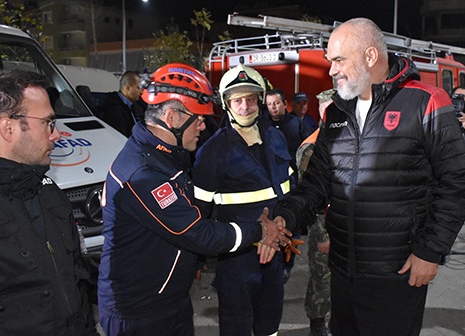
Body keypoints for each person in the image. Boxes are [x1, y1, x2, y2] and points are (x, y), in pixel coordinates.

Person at [272, 18, 465, 335]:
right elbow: (318, 182)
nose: (331, 70)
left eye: (339, 60)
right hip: (342, 270)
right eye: (329, 61)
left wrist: (429, 251)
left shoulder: (426, 102)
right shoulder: (336, 112)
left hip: (396, 273)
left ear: (369, 56)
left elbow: (457, 186)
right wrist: (285, 214)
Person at [97, 64, 289, 336]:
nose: (203, 125)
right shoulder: (144, 174)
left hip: (168, 299)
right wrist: (261, 230)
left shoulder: (164, 159)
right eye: (199, 117)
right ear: (173, 117)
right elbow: (200, 234)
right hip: (140, 310)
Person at [0, 69, 97, 335]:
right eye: (48, 123)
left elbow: (77, 284)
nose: (56, 135)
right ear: (7, 127)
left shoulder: (46, 189)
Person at [192, 64, 296, 336]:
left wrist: (286, 228)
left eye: (251, 99)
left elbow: (289, 189)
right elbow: (198, 213)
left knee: (269, 322)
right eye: (238, 100)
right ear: (227, 104)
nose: (246, 106)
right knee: (237, 325)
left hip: (275, 250)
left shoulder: (277, 138)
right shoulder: (212, 152)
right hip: (237, 258)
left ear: (260, 100)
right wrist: (197, 259)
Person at [265, 88, 312, 283]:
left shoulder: (296, 125)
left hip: (291, 186)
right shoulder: (263, 126)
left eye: (276, 103)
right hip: (269, 186)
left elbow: (308, 150)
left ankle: (287, 264)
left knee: (291, 225)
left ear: (285, 104)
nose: (273, 107)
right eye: (269, 104)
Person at [299, 88, 334, 336]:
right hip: (324, 227)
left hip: (346, 224)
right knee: (322, 276)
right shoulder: (311, 147)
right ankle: (317, 321)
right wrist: (322, 236)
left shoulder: (345, 138)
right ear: (321, 111)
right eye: (329, 109)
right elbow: (310, 200)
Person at [99, 71, 145, 137]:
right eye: (138, 88)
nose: (141, 92)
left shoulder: (131, 105)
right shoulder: (114, 109)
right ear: (128, 88)